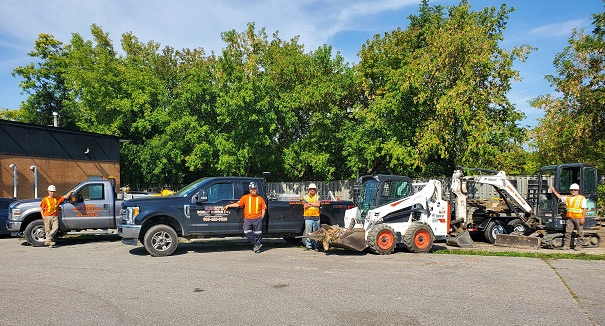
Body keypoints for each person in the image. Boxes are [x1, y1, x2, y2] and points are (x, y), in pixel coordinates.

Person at [223, 182, 266, 253]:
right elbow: (238, 204)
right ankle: (257, 243)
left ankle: (256, 247)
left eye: (254, 188)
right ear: (250, 189)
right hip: (248, 219)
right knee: (246, 231)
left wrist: (261, 217)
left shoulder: (260, 198)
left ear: (256, 189)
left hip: (257, 218)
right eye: (252, 189)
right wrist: (229, 206)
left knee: (258, 233)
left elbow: (263, 209)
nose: (253, 190)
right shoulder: (245, 197)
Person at [551, 183, 586, 251]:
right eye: (572, 190)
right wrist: (553, 190)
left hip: (578, 218)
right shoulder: (568, 198)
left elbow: (584, 208)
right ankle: (566, 246)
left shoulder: (581, 198)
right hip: (570, 218)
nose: (573, 191)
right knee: (568, 232)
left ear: (578, 190)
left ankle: (578, 246)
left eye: (575, 190)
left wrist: (583, 218)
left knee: (580, 233)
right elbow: (560, 197)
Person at [303, 183, 321, 251]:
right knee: (308, 232)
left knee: (316, 232)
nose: (312, 190)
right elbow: (305, 206)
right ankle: (309, 246)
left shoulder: (317, 197)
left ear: (315, 190)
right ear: (309, 190)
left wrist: (309, 203)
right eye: (311, 189)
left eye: (313, 189)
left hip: (316, 217)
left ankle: (316, 246)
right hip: (308, 217)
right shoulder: (305, 197)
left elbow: (318, 204)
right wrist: (313, 204)